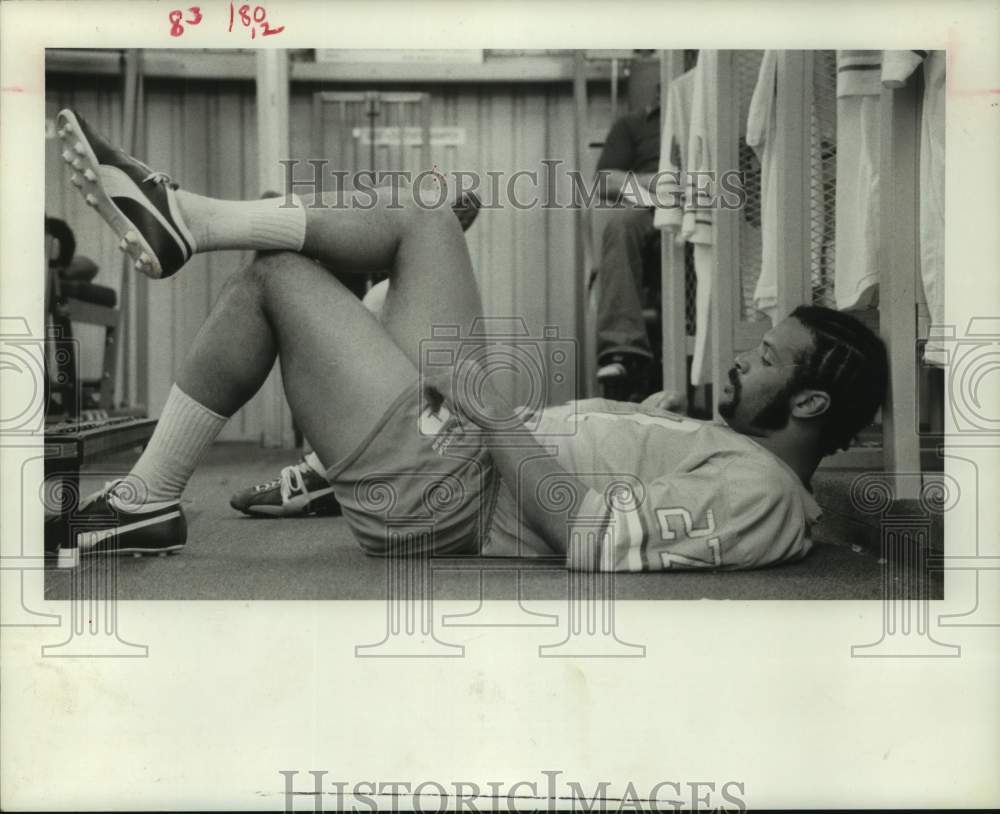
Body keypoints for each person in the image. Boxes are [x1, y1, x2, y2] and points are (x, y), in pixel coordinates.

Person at [55, 108, 888, 572]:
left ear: (809, 401)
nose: (745, 352)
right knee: (434, 210)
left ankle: (149, 492)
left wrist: (491, 415)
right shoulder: (744, 458)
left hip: (441, 491)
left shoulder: (765, 498)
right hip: (453, 448)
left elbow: (592, 539)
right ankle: (210, 226)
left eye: (769, 358)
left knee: (278, 275)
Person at [228, 191, 481, 519]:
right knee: (369, 303)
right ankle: (396, 262)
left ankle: (323, 471)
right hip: (393, 430)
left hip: (414, 448)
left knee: (371, 302)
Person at [593, 98, 663, 402]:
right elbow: (606, 181)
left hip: (708, 212)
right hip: (650, 210)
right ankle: (623, 354)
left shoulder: (718, 110)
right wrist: (654, 187)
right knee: (621, 223)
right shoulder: (633, 124)